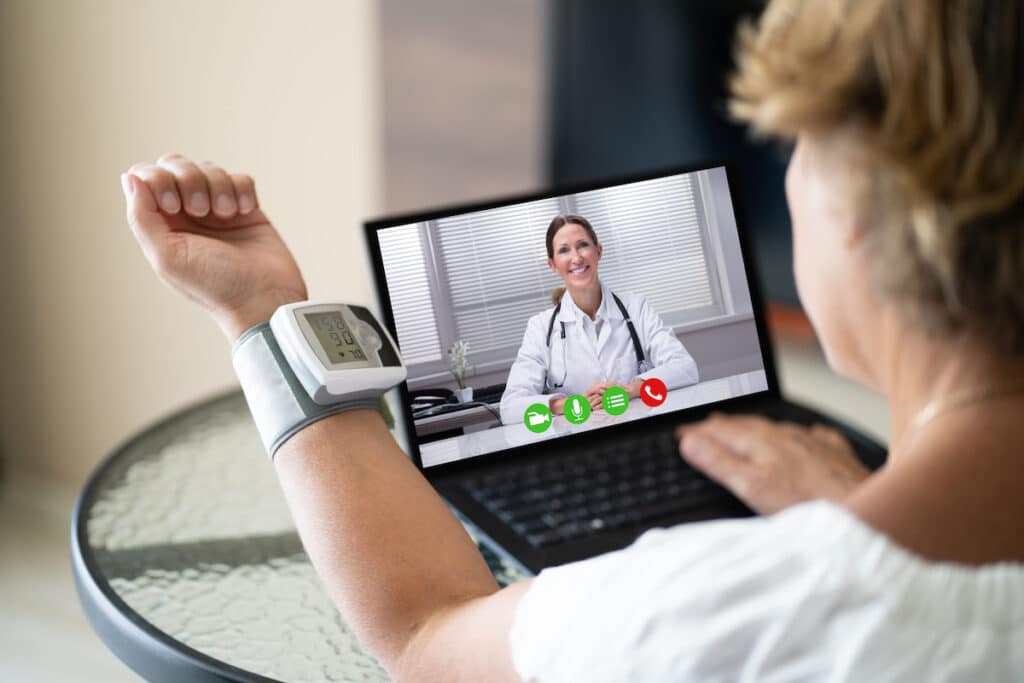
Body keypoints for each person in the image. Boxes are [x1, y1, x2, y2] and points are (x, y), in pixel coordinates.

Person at [121, 0, 1024, 678]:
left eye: (802, 152)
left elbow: (432, 629)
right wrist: (852, 508)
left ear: (857, 211)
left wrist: (259, 314)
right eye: (568, 247)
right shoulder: (538, 331)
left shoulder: (710, 610)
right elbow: (521, 399)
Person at [499, 213, 699, 425]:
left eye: (583, 245)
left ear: (599, 251)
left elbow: (685, 367)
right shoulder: (540, 327)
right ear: (553, 265)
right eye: (564, 250)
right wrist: (568, 405)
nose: (576, 258)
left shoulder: (636, 308)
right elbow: (510, 407)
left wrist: (632, 389)